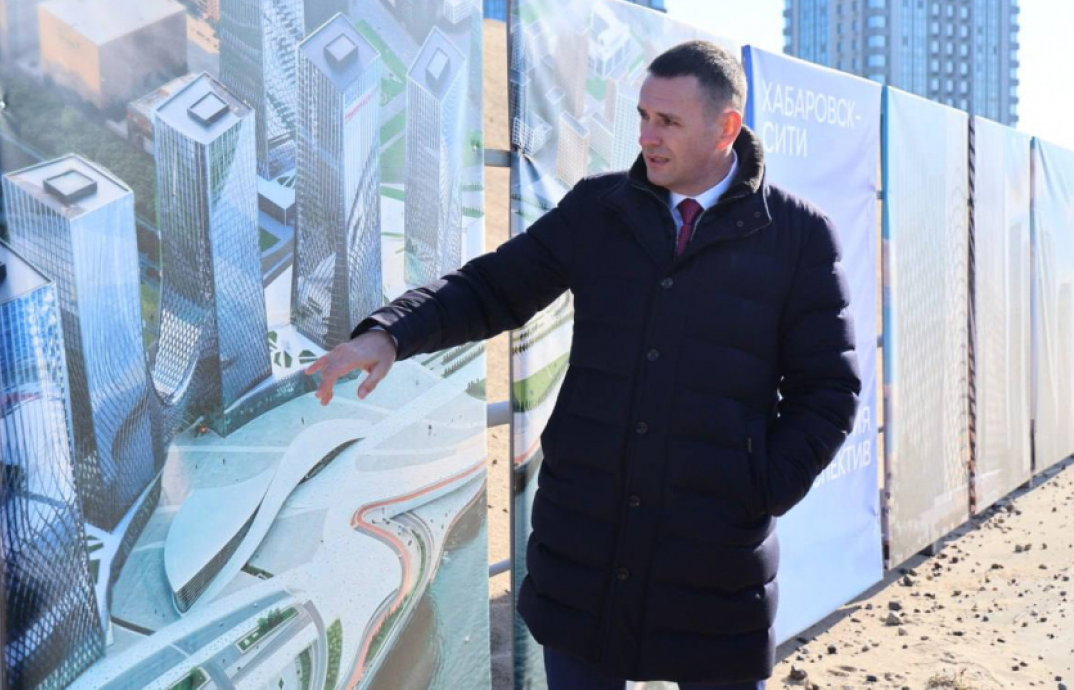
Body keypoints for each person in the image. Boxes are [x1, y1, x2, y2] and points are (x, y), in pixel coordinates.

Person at [305, 40, 860, 689]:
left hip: (715, 567)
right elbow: (493, 286)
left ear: (726, 127)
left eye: (668, 121)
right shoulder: (600, 209)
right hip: (585, 553)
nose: (647, 136)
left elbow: (829, 389)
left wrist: (757, 489)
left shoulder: (797, 236)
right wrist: (391, 334)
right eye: (643, 116)